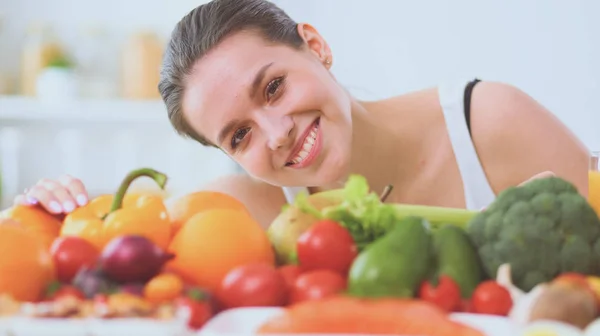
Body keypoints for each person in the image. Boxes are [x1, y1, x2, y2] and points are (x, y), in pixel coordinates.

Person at [15, 0, 590, 229]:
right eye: (238, 135)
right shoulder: (247, 211)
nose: (277, 132)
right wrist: (48, 215)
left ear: (315, 45)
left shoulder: (488, 121)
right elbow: (111, 246)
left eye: (272, 88)